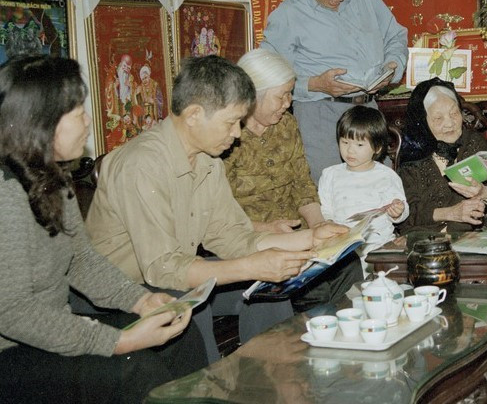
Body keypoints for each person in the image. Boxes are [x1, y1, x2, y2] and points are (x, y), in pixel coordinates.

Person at [85, 55, 348, 363]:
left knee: (266, 289)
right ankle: (209, 383)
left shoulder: (207, 161)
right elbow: (163, 269)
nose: (237, 133)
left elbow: (232, 237)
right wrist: (252, 266)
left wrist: (311, 238)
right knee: (190, 302)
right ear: (194, 115)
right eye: (231, 122)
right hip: (118, 293)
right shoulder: (142, 164)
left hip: (172, 276)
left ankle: (272, 376)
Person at [0, 56, 204, 403]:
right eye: (78, 112)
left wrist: (140, 300)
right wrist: (119, 341)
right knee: (133, 369)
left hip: (49, 329)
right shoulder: (6, 195)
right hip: (11, 353)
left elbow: (80, 261)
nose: (88, 122)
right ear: (42, 122)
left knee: (178, 332)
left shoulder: (52, 178)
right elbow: (13, 312)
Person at [261, 0, 409, 183]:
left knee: (378, 190)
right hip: (320, 118)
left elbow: (396, 36)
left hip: (368, 112)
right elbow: (268, 75)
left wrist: (393, 65)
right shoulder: (288, 14)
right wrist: (315, 84)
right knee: (332, 191)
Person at [225, 48, 363, 311]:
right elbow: (216, 217)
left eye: (290, 93)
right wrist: (265, 229)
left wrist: (319, 225)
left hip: (298, 238)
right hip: (251, 243)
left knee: (346, 265)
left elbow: (302, 183)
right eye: (281, 96)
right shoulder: (227, 135)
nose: (288, 103)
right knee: (312, 290)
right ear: (253, 95)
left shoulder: (286, 125)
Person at [397, 78, 487, 235]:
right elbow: (405, 214)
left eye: (454, 113)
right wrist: (451, 213)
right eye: (438, 118)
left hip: (476, 237)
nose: (449, 123)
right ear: (422, 121)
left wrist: (485, 193)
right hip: (426, 240)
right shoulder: (413, 154)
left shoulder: (474, 143)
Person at [319, 105, 408, 265]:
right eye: (345, 142)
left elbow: (400, 210)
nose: (350, 151)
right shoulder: (330, 175)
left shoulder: (386, 176)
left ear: (377, 147)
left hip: (379, 245)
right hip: (343, 248)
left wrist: (397, 212)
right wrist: (329, 222)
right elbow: (326, 209)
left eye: (359, 145)